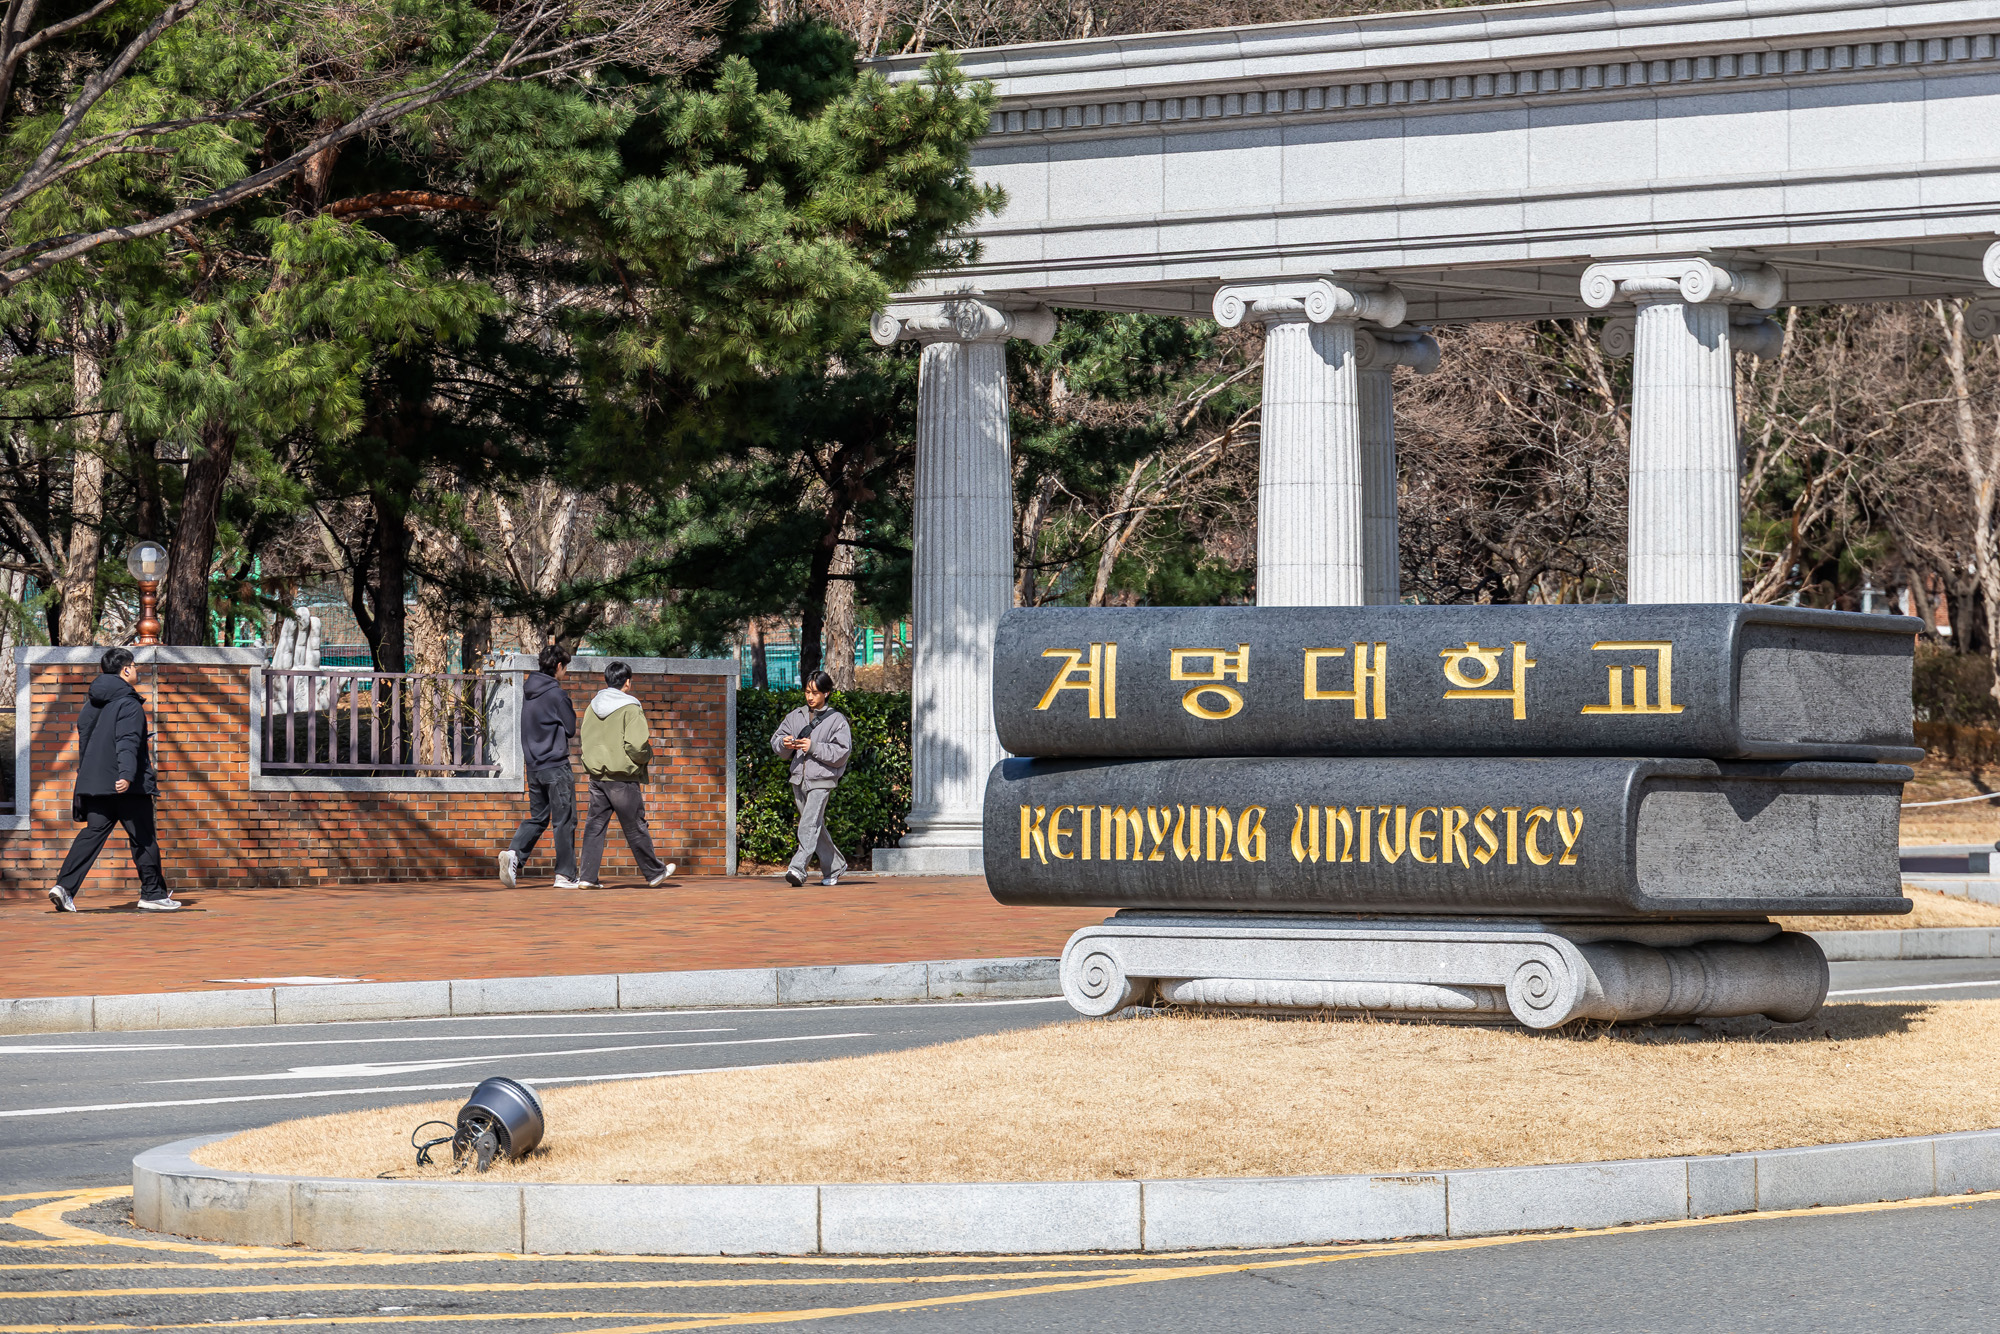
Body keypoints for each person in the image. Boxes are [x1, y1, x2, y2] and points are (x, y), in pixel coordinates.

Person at [48, 647, 175, 912]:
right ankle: (152, 894)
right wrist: (127, 775)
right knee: (144, 838)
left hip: (95, 784)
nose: (137, 671)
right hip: (126, 786)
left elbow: (85, 743)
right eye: (135, 666)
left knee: (92, 834)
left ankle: (64, 887)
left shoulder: (93, 704)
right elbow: (127, 741)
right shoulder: (129, 703)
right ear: (126, 669)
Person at [578, 660, 676, 889]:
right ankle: (654, 872)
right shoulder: (631, 708)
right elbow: (637, 744)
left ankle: (586, 877)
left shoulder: (592, 707)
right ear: (628, 682)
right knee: (635, 826)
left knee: (594, 827)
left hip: (597, 777)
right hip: (621, 777)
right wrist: (644, 758)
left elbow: (585, 739)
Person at [500, 645, 584, 890]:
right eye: (565, 667)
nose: (565, 672)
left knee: (538, 817)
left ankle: (514, 853)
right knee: (564, 820)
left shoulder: (528, 691)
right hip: (556, 766)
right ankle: (565, 875)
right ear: (558, 666)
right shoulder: (557, 695)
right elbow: (570, 729)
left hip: (534, 767)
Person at [769, 670, 852, 887]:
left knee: (807, 825)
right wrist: (784, 743)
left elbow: (841, 752)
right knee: (815, 825)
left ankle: (797, 869)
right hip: (798, 779)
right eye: (807, 692)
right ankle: (835, 866)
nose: (810, 697)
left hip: (822, 781)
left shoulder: (836, 720)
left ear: (826, 692)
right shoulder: (795, 716)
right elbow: (776, 740)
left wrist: (813, 747)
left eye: (815, 692)